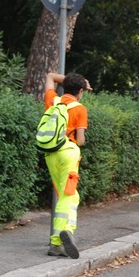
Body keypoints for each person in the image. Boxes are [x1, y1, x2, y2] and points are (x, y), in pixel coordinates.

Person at [43, 72, 91, 258]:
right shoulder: (80, 108)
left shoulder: (53, 101)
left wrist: (76, 82)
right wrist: (82, 83)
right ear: (80, 91)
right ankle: (63, 235)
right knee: (69, 195)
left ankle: (57, 243)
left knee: (64, 194)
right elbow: (79, 140)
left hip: (50, 153)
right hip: (68, 153)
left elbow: (50, 76)